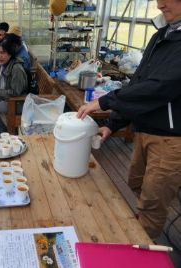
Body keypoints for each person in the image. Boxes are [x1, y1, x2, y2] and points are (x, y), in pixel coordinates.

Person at [77, 0, 181, 240]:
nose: (160, 4)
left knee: (152, 202)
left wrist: (105, 101)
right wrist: (112, 124)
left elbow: (160, 87)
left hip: (171, 139)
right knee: (136, 182)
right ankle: (143, 225)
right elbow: (139, 83)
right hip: (144, 130)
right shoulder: (163, 35)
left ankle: (144, 246)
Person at [0, 39, 28, 134]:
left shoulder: (16, 68)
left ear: (10, 54)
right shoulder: (4, 65)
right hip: (7, 97)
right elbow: (3, 83)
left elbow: (16, 92)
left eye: (3, 53)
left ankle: (1, 130)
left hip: (17, 102)